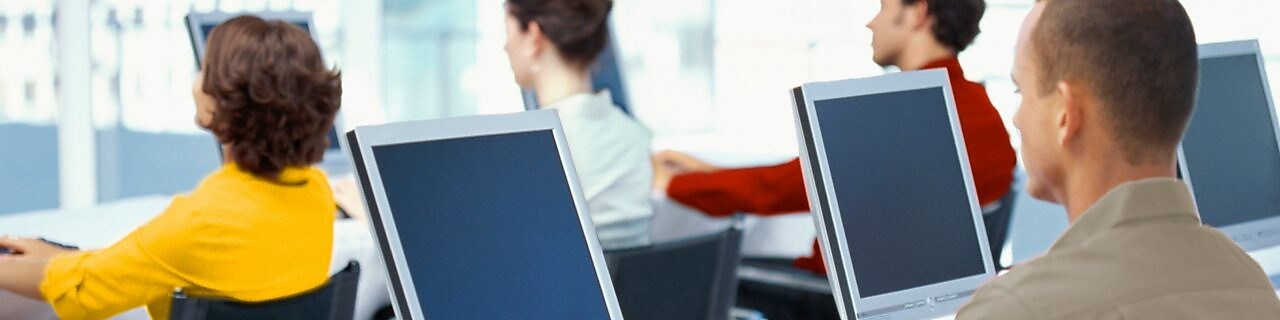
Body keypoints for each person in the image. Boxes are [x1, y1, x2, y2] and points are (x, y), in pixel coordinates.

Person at [653, 0, 1015, 318]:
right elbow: (804, 179)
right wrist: (710, 172)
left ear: (917, 13)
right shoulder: (980, 111)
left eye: (883, 7)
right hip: (916, 303)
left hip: (838, 298)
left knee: (688, 274)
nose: (871, 23)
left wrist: (671, 183)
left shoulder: (902, 111)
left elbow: (775, 191)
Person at [0, 16, 342, 319]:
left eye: (204, 70)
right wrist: (65, 257)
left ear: (229, 100)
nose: (197, 82)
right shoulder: (316, 194)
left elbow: (84, 288)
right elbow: (161, 261)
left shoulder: (202, 221)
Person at [957, 0, 1280, 318]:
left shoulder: (1017, 308)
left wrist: (1015, 295)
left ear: (1064, 113)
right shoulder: (1249, 280)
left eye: (1021, 92)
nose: (1017, 118)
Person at [503, 0, 654, 249]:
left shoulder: (531, 149)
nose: (506, 46)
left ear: (533, 36)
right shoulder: (634, 135)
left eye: (508, 32)